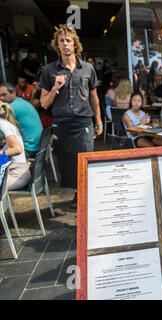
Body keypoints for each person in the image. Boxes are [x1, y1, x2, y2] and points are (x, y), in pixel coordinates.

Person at [39, 24, 102, 209]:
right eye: (62, 41)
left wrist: (98, 121)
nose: (65, 44)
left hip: (83, 122)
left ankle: (83, 196)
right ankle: (78, 192)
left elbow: (94, 98)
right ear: (57, 45)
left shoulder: (88, 68)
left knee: (85, 159)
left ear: (75, 45)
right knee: (67, 162)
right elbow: (44, 103)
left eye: (69, 40)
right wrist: (55, 88)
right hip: (62, 123)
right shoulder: (48, 71)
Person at [0, 82, 43, 157]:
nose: (1, 98)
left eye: (4, 94)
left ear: (13, 93)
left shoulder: (12, 107)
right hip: (38, 147)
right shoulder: (23, 102)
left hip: (28, 149)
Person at [0, 102, 31, 190]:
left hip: (16, 174)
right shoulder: (4, 123)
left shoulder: (2, 125)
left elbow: (17, 149)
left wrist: (1, 153)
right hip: (15, 171)